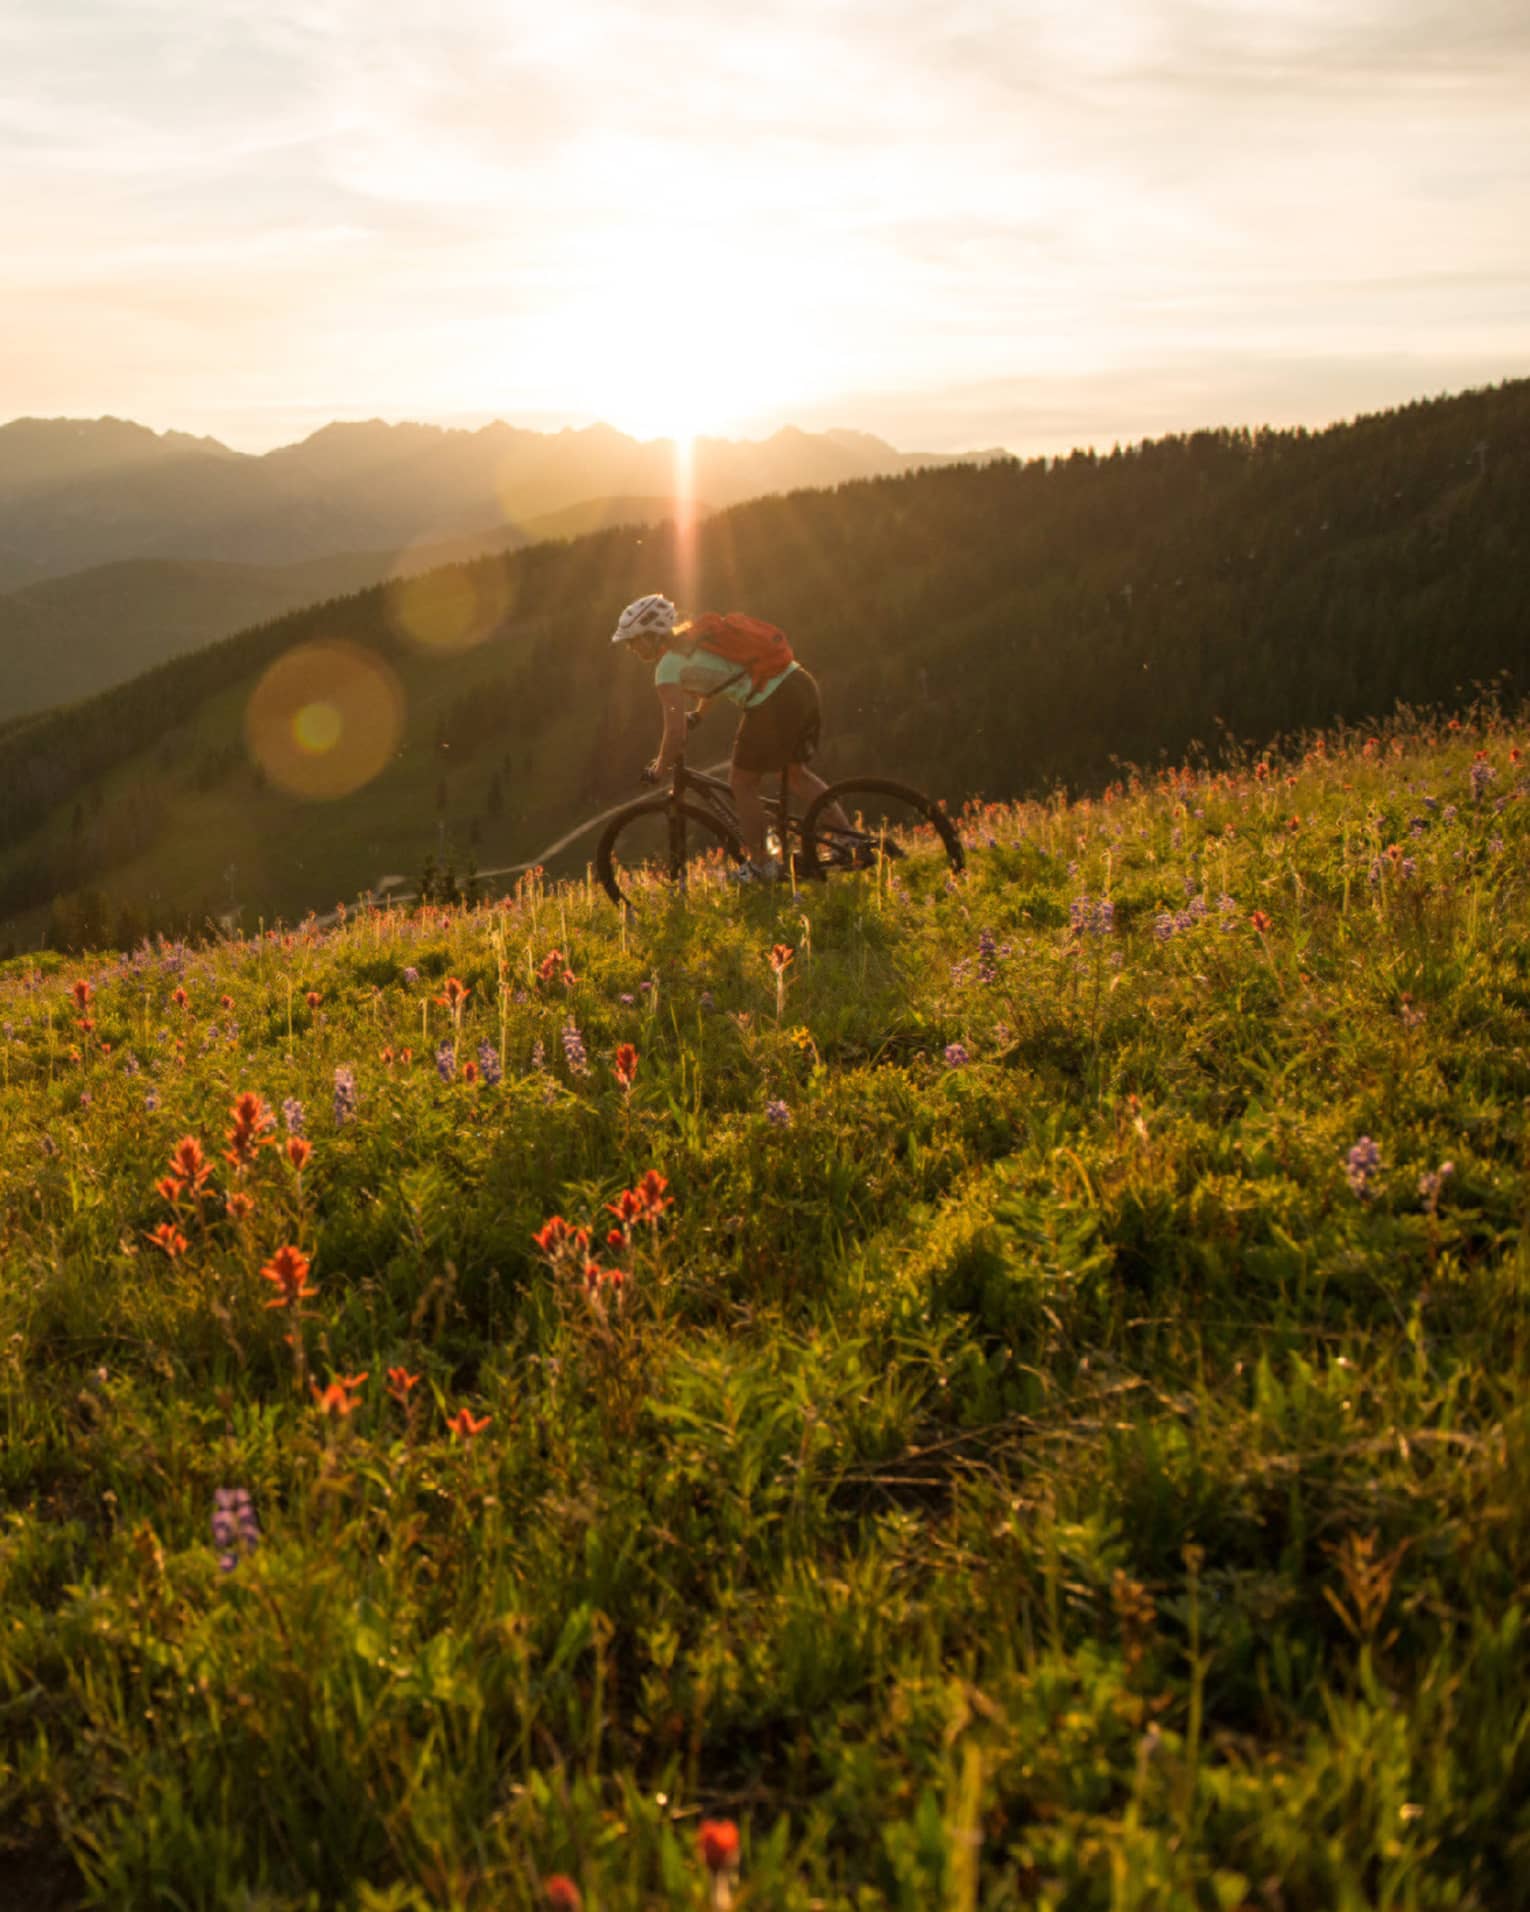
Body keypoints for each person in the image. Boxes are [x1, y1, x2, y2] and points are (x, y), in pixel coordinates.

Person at [610, 593, 851, 882]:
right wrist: (699, 714)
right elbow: (717, 680)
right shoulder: (695, 637)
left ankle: (762, 865)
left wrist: (660, 767)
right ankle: (852, 843)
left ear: (651, 636)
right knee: (796, 773)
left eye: (633, 641)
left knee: (742, 782)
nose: (632, 648)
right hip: (799, 684)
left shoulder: (666, 668)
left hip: (771, 701)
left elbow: (674, 731)